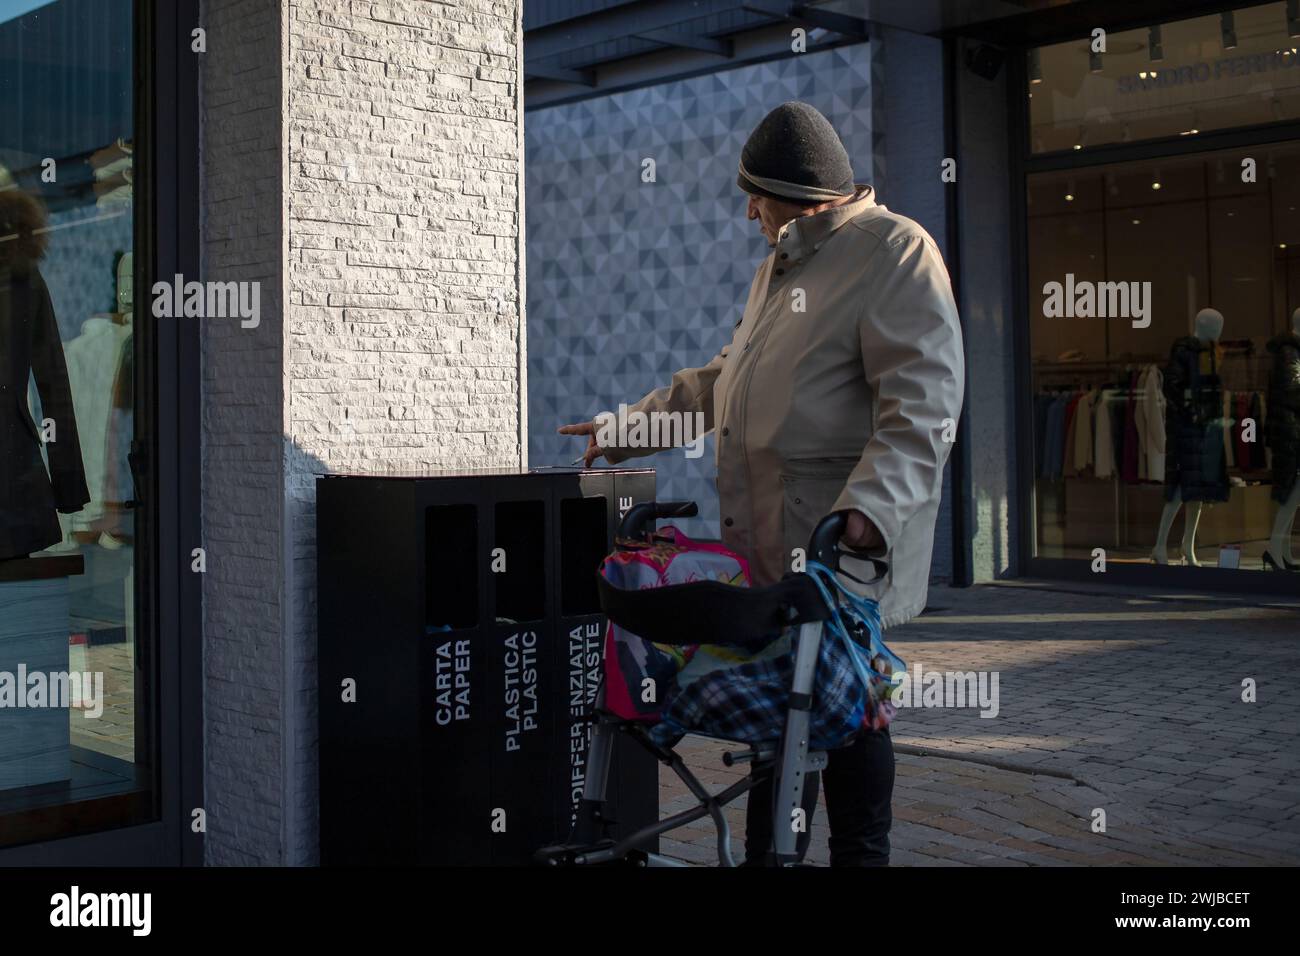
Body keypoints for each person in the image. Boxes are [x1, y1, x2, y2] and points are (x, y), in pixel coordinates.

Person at [559, 101, 965, 866]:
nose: (748, 209)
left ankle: (861, 858)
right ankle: (766, 858)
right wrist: (629, 427)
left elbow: (926, 404)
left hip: (841, 542)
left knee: (850, 710)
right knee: (795, 702)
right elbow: (725, 380)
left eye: (757, 194)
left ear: (799, 194)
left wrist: (868, 511)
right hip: (773, 538)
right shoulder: (783, 266)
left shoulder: (894, 252)